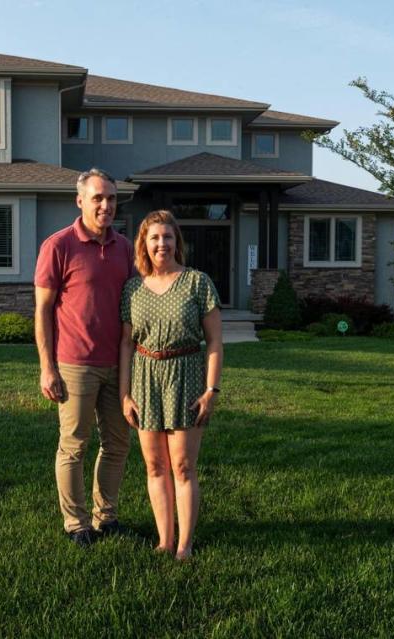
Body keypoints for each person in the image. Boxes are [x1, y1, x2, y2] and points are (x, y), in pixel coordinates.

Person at [34, 168, 135, 547]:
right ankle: (76, 523)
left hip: (119, 365)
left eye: (111, 198)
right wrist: (47, 368)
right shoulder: (58, 246)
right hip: (74, 363)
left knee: (118, 444)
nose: (106, 205)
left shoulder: (125, 248)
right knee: (74, 445)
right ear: (80, 201)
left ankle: (105, 517)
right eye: (98, 198)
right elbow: (42, 311)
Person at [119, 209, 223, 560]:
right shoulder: (133, 288)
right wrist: (124, 393)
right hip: (146, 376)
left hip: (187, 375)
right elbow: (125, 344)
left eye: (167, 237)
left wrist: (211, 391)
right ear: (143, 245)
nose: (161, 244)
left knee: (182, 465)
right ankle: (164, 539)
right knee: (154, 466)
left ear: (177, 242)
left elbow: (215, 343)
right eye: (154, 238)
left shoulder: (197, 282)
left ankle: (185, 544)